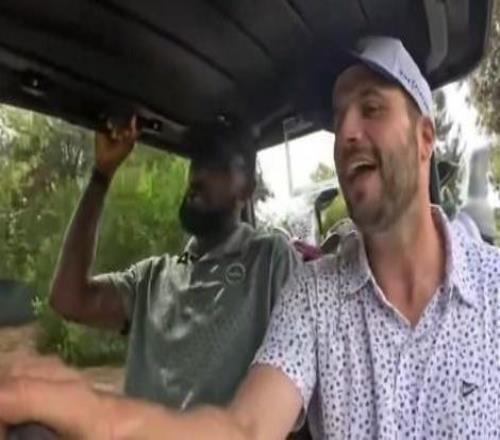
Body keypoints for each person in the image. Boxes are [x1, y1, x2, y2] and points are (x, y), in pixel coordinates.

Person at [2, 35, 500, 439]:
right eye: (337, 118)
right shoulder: (309, 297)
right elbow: (245, 429)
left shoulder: (273, 261)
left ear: (425, 139)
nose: (346, 132)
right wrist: (100, 175)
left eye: (371, 108)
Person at [47, 118, 299, 408]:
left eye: (216, 164)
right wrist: (101, 176)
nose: (197, 176)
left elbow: (298, 384)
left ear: (247, 189)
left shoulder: (270, 259)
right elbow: (68, 299)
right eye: (196, 163)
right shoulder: (151, 278)